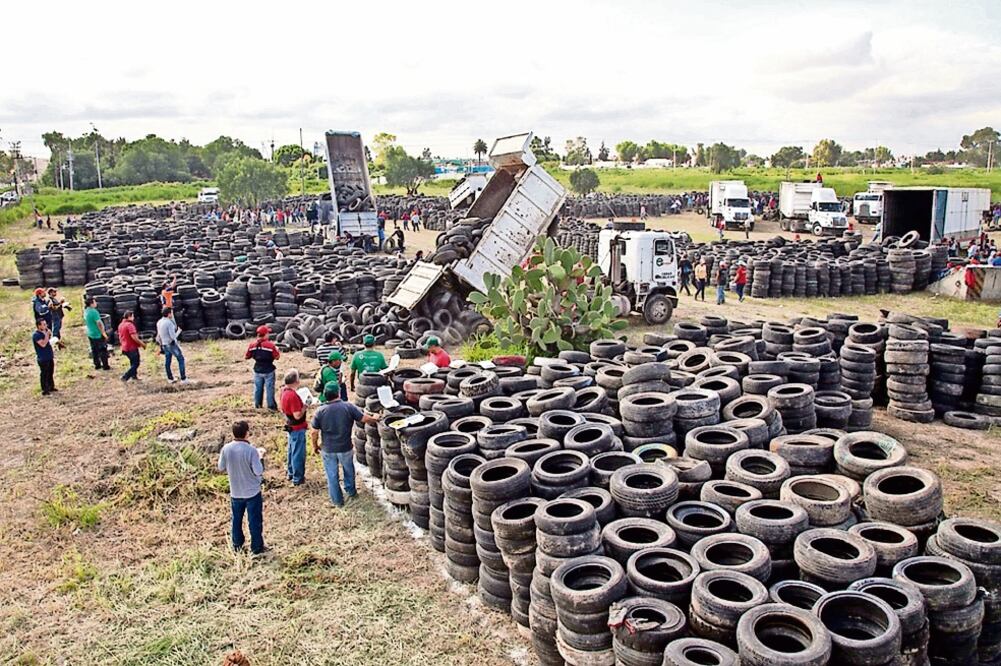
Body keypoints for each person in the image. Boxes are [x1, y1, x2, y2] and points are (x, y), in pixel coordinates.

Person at [310, 383, 379, 507]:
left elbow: (314, 432)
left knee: (332, 475)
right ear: (338, 393)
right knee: (348, 470)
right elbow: (364, 418)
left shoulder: (320, 411)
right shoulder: (348, 407)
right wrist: (376, 418)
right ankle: (351, 491)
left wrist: (315, 446)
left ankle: (337, 501)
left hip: (328, 449)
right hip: (345, 447)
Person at [217, 420, 266, 555]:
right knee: (254, 521)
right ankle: (256, 547)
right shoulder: (251, 450)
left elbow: (220, 467)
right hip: (252, 492)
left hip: (236, 491)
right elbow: (258, 471)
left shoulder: (226, 449)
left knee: (236, 520)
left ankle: (237, 545)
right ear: (246, 433)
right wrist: (261, 457)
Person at [279, 370, 308, 486]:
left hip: (290, 426)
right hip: (297, 427)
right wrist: (305, 407)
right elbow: (297, 415)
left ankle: (290, 473)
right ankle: (298, 478)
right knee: (298, 454)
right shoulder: (292, 396)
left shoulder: (283, 391)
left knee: (291, 451)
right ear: (296, 381)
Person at [245, 325, 280, 410]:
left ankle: (258, 405)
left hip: (257, 369)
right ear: (265, 334)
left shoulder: (252, 345)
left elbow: (247, 356)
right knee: (269, 389)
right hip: (268, 370)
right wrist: (277, 350)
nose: (269, 334)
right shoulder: (270, 346)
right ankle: (271, 406)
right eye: (268, 333)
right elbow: (277, 357)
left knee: (258, 389)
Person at [156, 307, 188, 383]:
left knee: (167, 361)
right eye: (171, 313)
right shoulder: (169, 323)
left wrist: (161, 345)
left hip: (164, 344)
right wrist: (179, 331)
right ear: (169, 314)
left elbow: (158, 337)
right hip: (171, 344)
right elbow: (173, 337)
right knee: (181, 359)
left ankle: (170, 378)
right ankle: (183, 379)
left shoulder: (159, 322)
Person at [117, 310, 146, 382]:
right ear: (129, 317)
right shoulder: (130, 325)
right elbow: (134, 337)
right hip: (131, 347)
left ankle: (134, 376)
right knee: (136, 363)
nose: (134, 318)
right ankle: (125, 376)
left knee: (132, 362)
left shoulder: (120, 325)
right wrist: (142, 343)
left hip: (124, 347)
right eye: (133, 316)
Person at [83, 296, 111, 370]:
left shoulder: (86, 310)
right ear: (91, 303)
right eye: (95, 302)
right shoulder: (94, 312)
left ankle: (97, 365)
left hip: (90, 333)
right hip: (97, 334)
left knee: (94, 350)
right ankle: (105, 366)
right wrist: (103, 333)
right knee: (103, 350)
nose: (96, 303)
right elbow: (99, 323)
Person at [33, 318, 56, 395]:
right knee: (44, 374)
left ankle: (51, 386)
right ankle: (45, 389)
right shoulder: (36, 335)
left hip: (49, 356)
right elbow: (43, 344)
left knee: (50, 372)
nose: (46, 326)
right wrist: (46, 334)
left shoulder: (44, 333)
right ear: (39, 326)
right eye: (44, 324)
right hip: (43, 358)